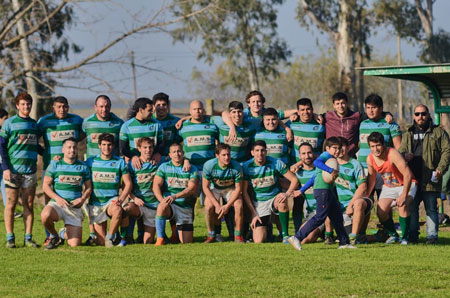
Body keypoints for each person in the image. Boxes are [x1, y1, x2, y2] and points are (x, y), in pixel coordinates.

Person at [288, 137, 354, 251]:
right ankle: (296, 237)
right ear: (327, 148)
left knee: (337, 216)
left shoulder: (330, 159)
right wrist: (330, 170)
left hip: (327, 191)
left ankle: (344, 242)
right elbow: (316, 162)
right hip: (322, 191)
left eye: (338, 148)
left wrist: (301, 190)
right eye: (334, 148)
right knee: (320, 217)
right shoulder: (325, 156)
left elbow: (314, 177)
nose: (337, 151)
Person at [399, 104, 450, 244]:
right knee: (412, 208)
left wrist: (440, 168)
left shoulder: (439, 132)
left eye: (423, 114)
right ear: (413, 116)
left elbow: (447, 151)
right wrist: (404, 155)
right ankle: (413, 236)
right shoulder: (408, 133)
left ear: (428, 114)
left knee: (431, 208)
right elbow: (400, 153)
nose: (420, 116)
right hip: (413, 178)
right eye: (417, 114)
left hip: (431, 177)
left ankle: (432, 237)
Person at [38, 96, 85, 243]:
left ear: (68, 107)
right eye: (58, 107)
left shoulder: (76, 120)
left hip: (70, 166)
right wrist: (44, 153)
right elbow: (33, 140)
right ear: (53, 107)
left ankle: (67, 229)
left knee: (75, 244)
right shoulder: (44, 121)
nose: (61, 109)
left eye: (64, 106)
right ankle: (50, 236)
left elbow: (83, 135)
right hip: (51, 167)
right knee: (49, 202)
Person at [82, 94, 123, 245]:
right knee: (92, 200)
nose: (104, 109)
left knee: (113, 201)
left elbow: (124, 143)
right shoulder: (86, 123)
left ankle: (115, 234)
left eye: (106, 106)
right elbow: (77, 137)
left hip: (112, 167)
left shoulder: (118, 123)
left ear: (110, 107)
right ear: (95, 107)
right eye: (101, 106)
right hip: (93, 168)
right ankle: (93, 234)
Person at [0, 93, 40, 248]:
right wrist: (5, 169)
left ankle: (28, 238)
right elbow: (1, 147)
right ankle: (10, 238)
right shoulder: (9, 123)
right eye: (23, 104)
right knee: (10, 204)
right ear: (17, 106)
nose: (26, 107)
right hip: (13, 171)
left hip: (29, 171)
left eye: (28, 104)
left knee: (28, 205)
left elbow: (36, 146)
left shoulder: (34, 124)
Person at [242, 140, 299, 243]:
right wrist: (253, 213)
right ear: (252, 152)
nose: (260, 153)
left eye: (262, 150)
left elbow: (294, 180)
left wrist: (287, 194)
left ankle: (285, 236)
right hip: (258, 203)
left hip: (274, 198)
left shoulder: (276, 163)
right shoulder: (246, 166)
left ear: (266, 151)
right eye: (257, 150)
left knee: (282, 201)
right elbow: (245, 192)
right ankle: (267, 228)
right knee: (258, 240)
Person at [41, 137, 92, 249]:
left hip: (74, 207)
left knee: (75, 244)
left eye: (74, 147)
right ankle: (54, 236)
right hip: (58, 204)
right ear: (63, 150)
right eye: (69, 147)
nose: (72, 150)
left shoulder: (83, 167)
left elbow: (89, 188)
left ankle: (62, 233)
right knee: (45, 215)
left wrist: (82, 199)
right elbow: (45, 186)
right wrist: (57, 198)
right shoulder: (55, 164)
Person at [366, 132, 415, 245]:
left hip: (406, 184)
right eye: (372, 146)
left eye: (378, 145)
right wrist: (367, 194)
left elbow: (408, 175)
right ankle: (394, 235)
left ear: (383, 144)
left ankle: (405, 238)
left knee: (403, 205)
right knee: (381, 211)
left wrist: (403, 194)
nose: (376, 149)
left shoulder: (392, 154)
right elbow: (372, 178)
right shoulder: (370, 159)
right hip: (389, 186)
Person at [86, 133, 132, 247]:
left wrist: (121, 199)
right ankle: (63, 233)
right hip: (96, 203)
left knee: (117, 209)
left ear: (113, 146)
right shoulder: (91, 162)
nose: (107, 148)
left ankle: (110, 237)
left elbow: (128, 183)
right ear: (99, 146)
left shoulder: (119, 162)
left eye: (109, 145)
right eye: (104, 145)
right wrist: (59, 158)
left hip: (111, 200)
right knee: (99, 243)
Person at [153, 143, 199, 245]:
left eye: (179, 151)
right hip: (170, 205)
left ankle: (175, 232)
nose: (177, 154)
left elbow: (192, 189)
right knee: (161, 206)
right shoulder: (164, 167)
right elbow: (155, 186)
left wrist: (175, 196)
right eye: (174, 152)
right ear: (170, 155)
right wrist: (162, 200)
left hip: (185, 207)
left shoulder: (192, 168)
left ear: (183, 153)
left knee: (186, 242)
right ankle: (160, 239)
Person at [321, 92, 393, 158]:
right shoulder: (327, 116)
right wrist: (315, 115)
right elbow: (314, 117)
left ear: (347, 103)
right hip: (331, 157)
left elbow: (373, 113)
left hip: (349, 157)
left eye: (343, 103)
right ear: (333, 105)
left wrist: (387, 114)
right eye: (337, 104)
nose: (340, 106)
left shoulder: (356, 116)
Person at [331, 137, 370, 245]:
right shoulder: (331, 165)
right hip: (341, 208)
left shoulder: (355, 164)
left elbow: (363, 187)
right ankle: (372, 237)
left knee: (358, 203)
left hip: (356, 203)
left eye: (342, 146)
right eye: (337, 147)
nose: (339, 150)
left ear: (348, 148)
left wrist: (350, 205)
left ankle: (353, 238)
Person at [203, 143, 244, 243]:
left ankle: (238, 235)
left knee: (239, 205)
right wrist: (217, 205)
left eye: (229, 154)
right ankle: (211, 234)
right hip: (215, 188)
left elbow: (239, 189)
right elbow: (205, 187)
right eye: (224, 155)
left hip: (231, 188)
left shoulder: (236, 166)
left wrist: (228, 205)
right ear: (217, 155)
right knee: (208, 206)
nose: (227, 157)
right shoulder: (209, 165)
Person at [123, 137, 161, 244]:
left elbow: (176, 159)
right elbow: (125, 186)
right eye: (145, 148)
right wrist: (134, 199)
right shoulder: (132, 164)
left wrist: (185, 160)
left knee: (147, 242)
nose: (148, 150)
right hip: (139, 203)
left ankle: (160, 236)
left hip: (154, 205)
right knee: (127, 208)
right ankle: (127, 236)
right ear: (139, 149)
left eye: (150, 147)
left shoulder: (159, 162)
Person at [292, 143, 323, 244]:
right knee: (302, 239)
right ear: (299, 156)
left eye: (309, 153)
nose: (307, 156)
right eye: (303, 153)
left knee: (306, 239)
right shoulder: (298, 174)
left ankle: (326, 234)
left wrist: (298, 163)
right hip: (311, 214)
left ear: (314, 154)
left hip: (323, 212)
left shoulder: (321, 170)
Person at [120, 97, 164, 169]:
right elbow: (123, 149)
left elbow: (162, 144)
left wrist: (158, 153)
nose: (152, 112)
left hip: (153, 165)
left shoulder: (157, 124)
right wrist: (133, 157)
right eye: (149, 110)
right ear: (141, 110)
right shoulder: (126, 126)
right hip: (135, 165)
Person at [287, 98, 325, 164]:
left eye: (308, 109)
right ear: (298, 112)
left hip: (315, 167)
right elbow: (275, 119)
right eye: (302, 110)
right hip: (295, 167)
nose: (305, 112)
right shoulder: (291, 123)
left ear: (312, 110)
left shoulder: (320, 123)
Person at [152, 92, 181, 157]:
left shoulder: (176, 121)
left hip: (170, 158)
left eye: (164, 105)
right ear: (153, 106)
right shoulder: (149, 120)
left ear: (168, 106)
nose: (161, 107)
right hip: (152, 159)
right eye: (158, 105)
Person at [0, 108, 9, 208]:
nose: (7, 121)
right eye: (5, 119)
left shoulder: (5, 132)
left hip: (3, 165)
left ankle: (9, 209)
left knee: (5, 188)